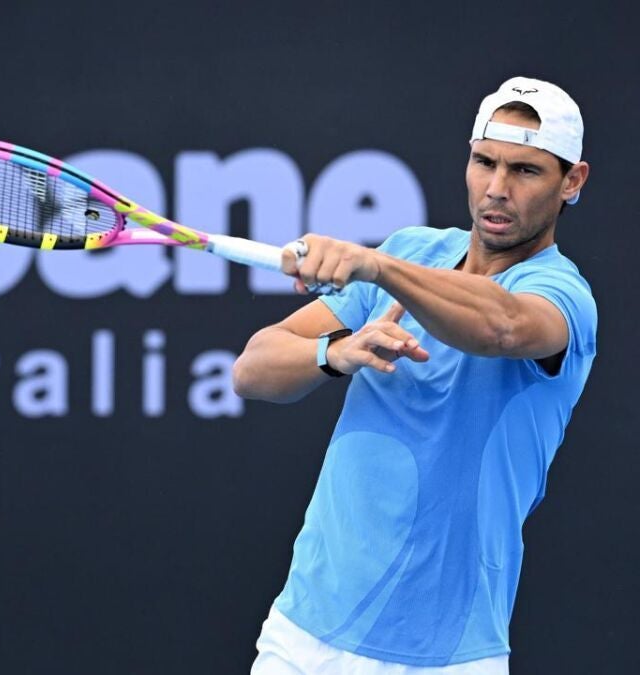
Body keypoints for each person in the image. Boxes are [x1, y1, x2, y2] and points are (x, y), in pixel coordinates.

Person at [235, 76, 596, 674]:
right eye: (484, 162)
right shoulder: (410, 251)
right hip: (304, 633)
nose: (496, 188)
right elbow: (251, 369)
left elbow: (502, 326)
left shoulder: (562, 294)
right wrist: (337, 352)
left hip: (446, 654)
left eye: (525, 171)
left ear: (572, 181)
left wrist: (378, 268)